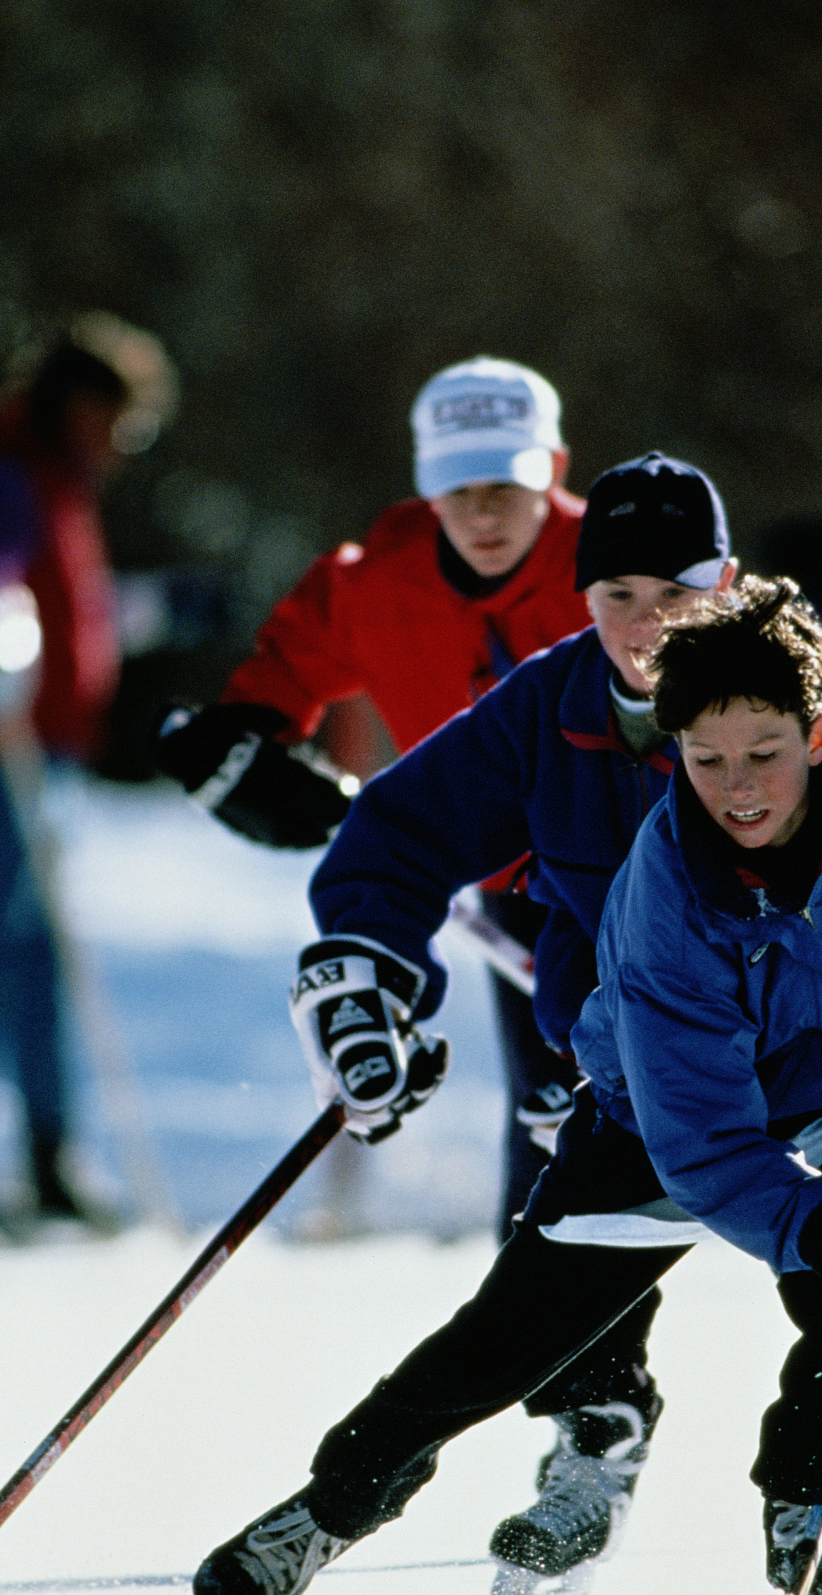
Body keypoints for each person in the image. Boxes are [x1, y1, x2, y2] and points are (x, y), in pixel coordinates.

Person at [183, 558, 822, 1595]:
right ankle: (328, 1506)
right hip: (654, 1121)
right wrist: (819, 1228)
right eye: (705, 760)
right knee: (503, 1345)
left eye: (764, 755)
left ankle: (811, 1508)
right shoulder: (665, 906)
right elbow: (704, 1146)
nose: (738, 787)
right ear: (673, 752)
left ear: (820, 736)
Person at [155, 356, 592, 1237]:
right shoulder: (377, 583)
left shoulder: (616, 566)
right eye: (455, 485)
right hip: (511, 888)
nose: (480, 512)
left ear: (551, 468)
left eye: (504, 483)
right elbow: (283, 672)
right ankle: (583, 1366)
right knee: (556, 1112)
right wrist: (244, 745)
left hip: (636, 872)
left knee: (721, 1107)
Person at [0, 313, 177, 1229]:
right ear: (76, 404)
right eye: (116, 421)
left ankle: (46, 1149)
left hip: (46, 745)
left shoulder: (57, 481)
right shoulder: (11, 471)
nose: (119, 443)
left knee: (40, 947)